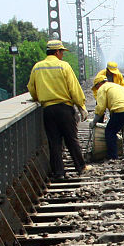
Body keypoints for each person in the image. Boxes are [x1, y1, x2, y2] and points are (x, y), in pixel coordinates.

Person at [28, 38, 88, 180]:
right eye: (62, 52)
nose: (63, 55)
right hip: (64, 109)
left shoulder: (37, 67)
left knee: (54, 141)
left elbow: (31, 87)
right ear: (56, 52)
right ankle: (80, 167)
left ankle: (59, 172)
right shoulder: (64, 66)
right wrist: (81, 106)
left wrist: (37, 97)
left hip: (48, 110)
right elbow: (74, 88)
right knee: (71, 139)